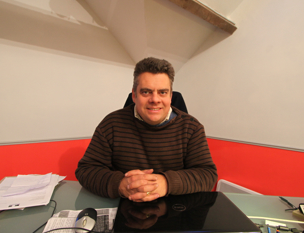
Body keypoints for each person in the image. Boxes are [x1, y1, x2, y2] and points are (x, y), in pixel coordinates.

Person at [76, 57, 218, 202]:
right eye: (146, 92)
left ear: (170, 96)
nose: (155, 99)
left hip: (176, 210)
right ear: (134, 95)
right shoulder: (111, 124)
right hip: (124, 206)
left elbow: (207, 175)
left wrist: (166, 183)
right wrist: (121, 184)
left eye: (162, 92)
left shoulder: (192, 128)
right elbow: (86, 170)